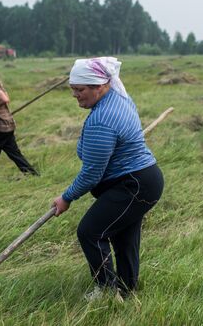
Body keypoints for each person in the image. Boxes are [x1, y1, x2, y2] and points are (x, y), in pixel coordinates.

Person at [52, 57, 164, 300]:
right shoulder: (118, 97)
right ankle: (126, 289)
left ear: (99, 86)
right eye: (72, 90)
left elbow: (92, 172)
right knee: (123, 236)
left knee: (90, 232)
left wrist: (66, 197)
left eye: (80, 90)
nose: (75, 95)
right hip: (143, 179)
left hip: (134, 185)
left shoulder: (102, 120)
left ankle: (105, 290)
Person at [0, 61, 38, 179]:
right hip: (7, 125)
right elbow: (7, 98)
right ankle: (33, 175)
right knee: (15, 154)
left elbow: (4, 99)